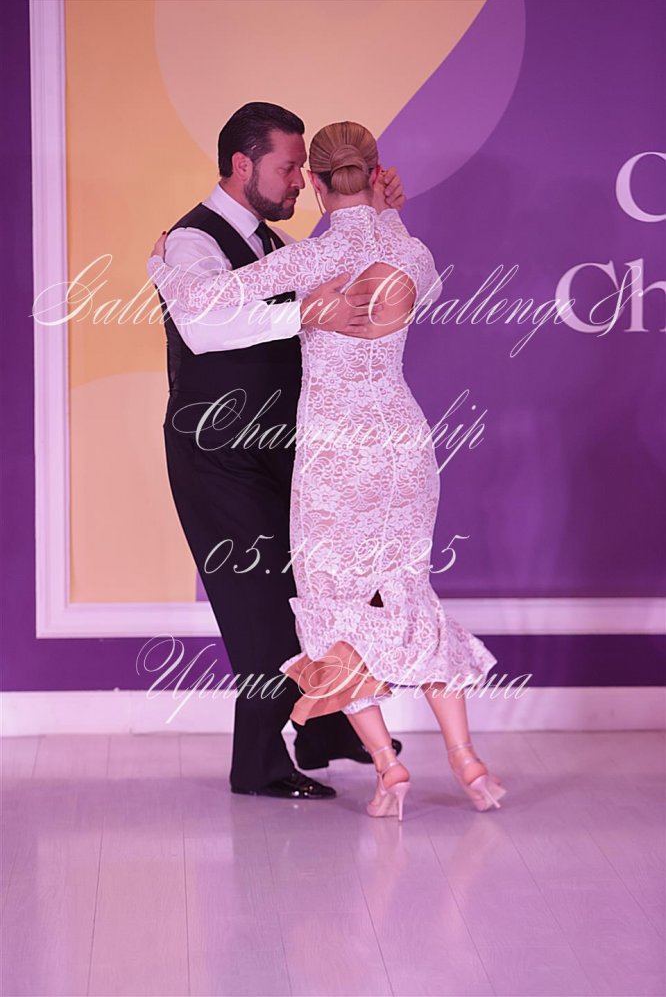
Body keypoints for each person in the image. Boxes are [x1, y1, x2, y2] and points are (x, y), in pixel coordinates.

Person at [149, 120, 507, 820]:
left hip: (332, 454)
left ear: (315, 181)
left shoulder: (306, 257)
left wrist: (160, 266)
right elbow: (420, 286)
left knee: (329, 607)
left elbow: (204, 303)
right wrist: (389, 216)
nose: (293, 183)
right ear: (376, 174)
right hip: (401, 443)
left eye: (298, 172)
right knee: (406, 593)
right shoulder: (411, 251)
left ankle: (384, 764)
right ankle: (462, 755)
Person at [153, 103, 404, 800]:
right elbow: (205, 323)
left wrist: (378, 213)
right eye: (288, 167)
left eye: (302, 170)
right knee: (260, 608)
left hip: (281, 446)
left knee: (320, 590)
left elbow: (355, 276)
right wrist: (306, 311)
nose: (299, 181)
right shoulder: (191, 242)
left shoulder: (275, 243)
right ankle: (259, 762)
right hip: (217, 453)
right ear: (243, 164)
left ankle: (324, 728)